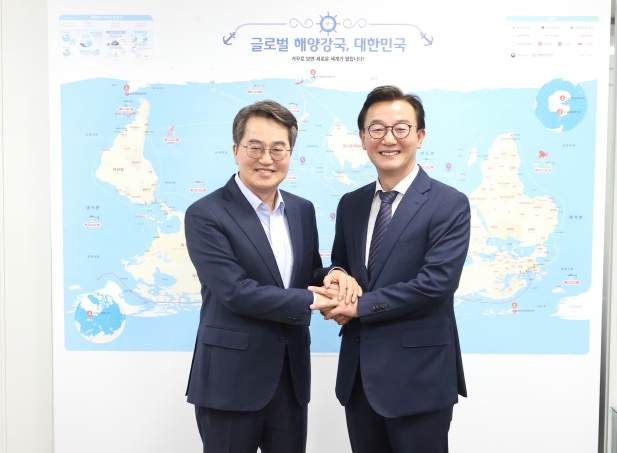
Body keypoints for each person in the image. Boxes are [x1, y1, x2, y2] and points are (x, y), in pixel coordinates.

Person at [184, 100, 359, 453]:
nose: (267, 158)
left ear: (289, 154)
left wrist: (335, 276)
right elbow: (236, 292)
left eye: (278, 149)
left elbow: (308, 273)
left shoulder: (301, 210)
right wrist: (314, 299)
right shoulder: (206, 214)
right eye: (255, 147)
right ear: (236, 150)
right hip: (230, 380)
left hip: (290, 377)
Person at [310, 86, 470, 453]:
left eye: (400, 128)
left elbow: (436, 283)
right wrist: (336, 276)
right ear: (363, 138)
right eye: (377, 128)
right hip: (359, 379)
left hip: (419, 378)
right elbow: (342, 264)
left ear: (419, 136)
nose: (388, 138)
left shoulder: (448, 204)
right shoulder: (351, 204)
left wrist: (359, 307)